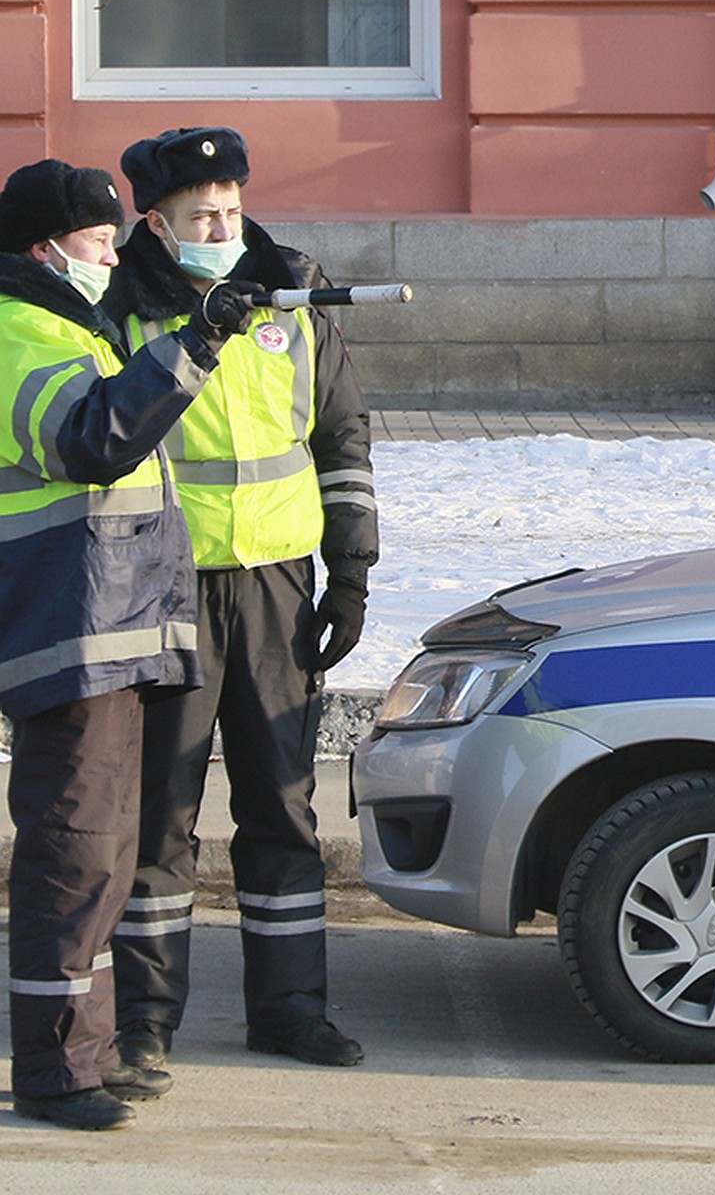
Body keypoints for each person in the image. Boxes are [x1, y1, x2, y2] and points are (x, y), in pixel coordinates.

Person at [104, 127, 378, 1069]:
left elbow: (341, 439)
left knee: (284, 805)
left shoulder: (289, 288)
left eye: (230, 208)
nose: (222, 227)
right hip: (159, 588)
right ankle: (145, 1021)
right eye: (199, 216)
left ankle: (292, 1011)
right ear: (156, 220)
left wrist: (351, 574)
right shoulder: (124, 299)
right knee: (159, 812)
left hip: (275, 588)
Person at [0, 159, 255, 1130]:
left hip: (107, 629)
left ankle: (85, 1055)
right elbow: (92, 441)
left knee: (100, 856)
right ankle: (57, 1071)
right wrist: (194, 344)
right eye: (100, 241)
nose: (114, 256)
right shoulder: (18, 331)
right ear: (45, 249)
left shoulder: (66, 324)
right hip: (65, 634)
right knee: (72, 854)